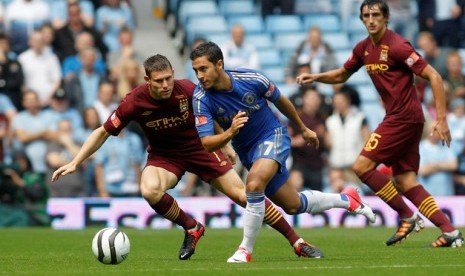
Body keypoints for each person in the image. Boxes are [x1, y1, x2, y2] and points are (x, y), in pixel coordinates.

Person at [52, 54, 336, 261]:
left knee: (246, 196)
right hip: (165, 156)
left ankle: (296, 242)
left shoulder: (189, 90)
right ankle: (192, 226)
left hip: (202, 149)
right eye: (159, 81)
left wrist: (225, 143)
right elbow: (103, 131)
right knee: (149, 190)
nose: (165, 85)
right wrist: (77, 161)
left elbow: (209, 113)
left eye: (168, 78)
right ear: (146, 80)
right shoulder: (134, 102)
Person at [296, 0, 464, 248]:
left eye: (376, 14)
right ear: (362, 19)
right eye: (366, 15)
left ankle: (407, 216)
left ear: (386, 18)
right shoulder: (363, 48)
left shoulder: (398, 45)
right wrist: (317, 77)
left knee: (362, 166)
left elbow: (434, 76)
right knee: (406, 181)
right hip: (400, 118)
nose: (371, 19)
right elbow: (342, 74)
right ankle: (450, 232)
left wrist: (441, 119)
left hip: (403, 117)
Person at [190, 41, 376, 263]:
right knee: (293, 204)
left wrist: (304, 129)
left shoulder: (251, 79)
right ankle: (348, 199)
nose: (199, 75)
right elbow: (207, 143)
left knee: (254, 184)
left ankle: (244, 250)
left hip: (272, 135)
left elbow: (281, 101)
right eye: (195, 70)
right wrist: (230, 133)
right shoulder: (200, 98)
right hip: (247, 151)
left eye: (203, 69)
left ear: (219, 64)